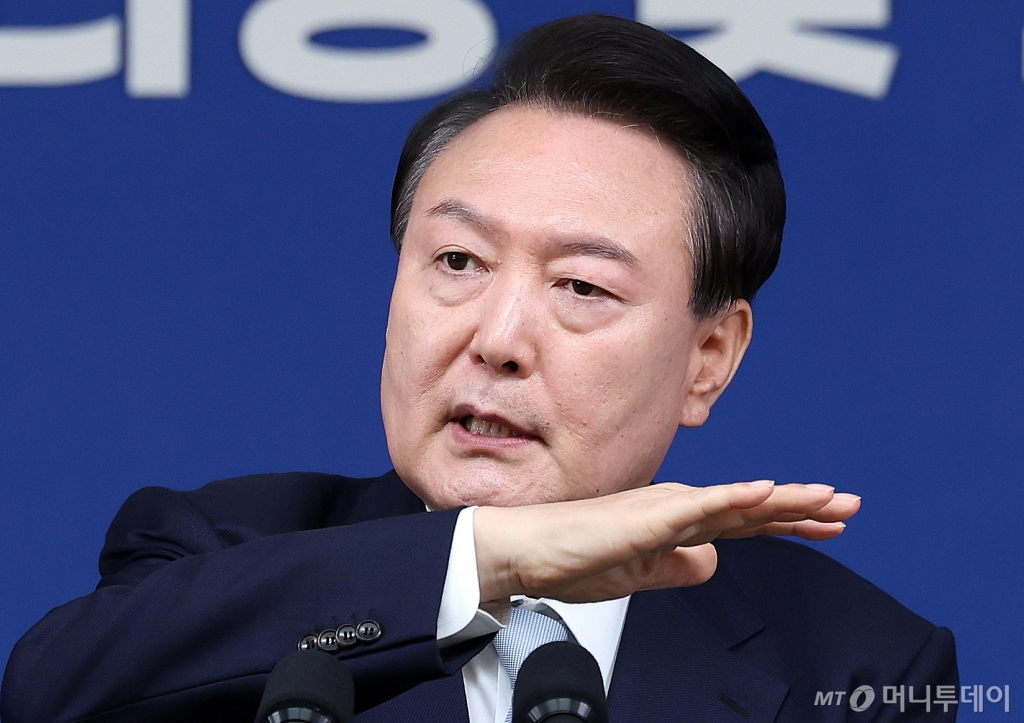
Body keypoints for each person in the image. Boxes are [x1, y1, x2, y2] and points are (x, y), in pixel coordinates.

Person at [1, 14, 957, 723]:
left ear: (709, 358)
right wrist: (483, 561)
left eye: (581, 286)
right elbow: (50, 691)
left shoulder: (860, 662)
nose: (498, 338)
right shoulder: (213, 550)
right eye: (458, 262)